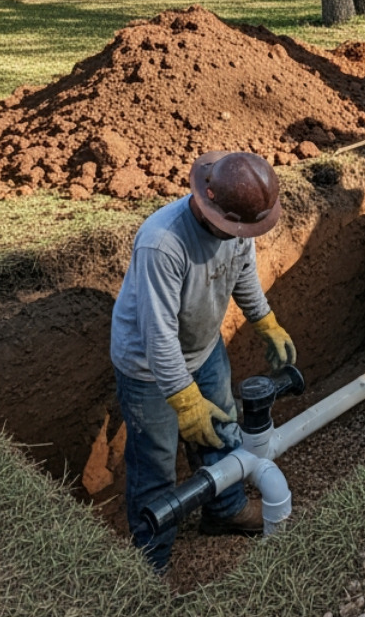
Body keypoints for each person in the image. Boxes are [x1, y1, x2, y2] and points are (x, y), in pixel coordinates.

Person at [110, 150, 298, 570]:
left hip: (204, 349)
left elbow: (242, 271)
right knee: (156, 466)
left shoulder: (238, 221)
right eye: (235, 229)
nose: (240, 236)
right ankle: (151, 562)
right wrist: (184, 399)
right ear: (211, 204)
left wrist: (265, 321)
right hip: (147, 367)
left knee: (222, 435)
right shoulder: (163, 243)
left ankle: (224, 510)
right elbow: (158, 336)